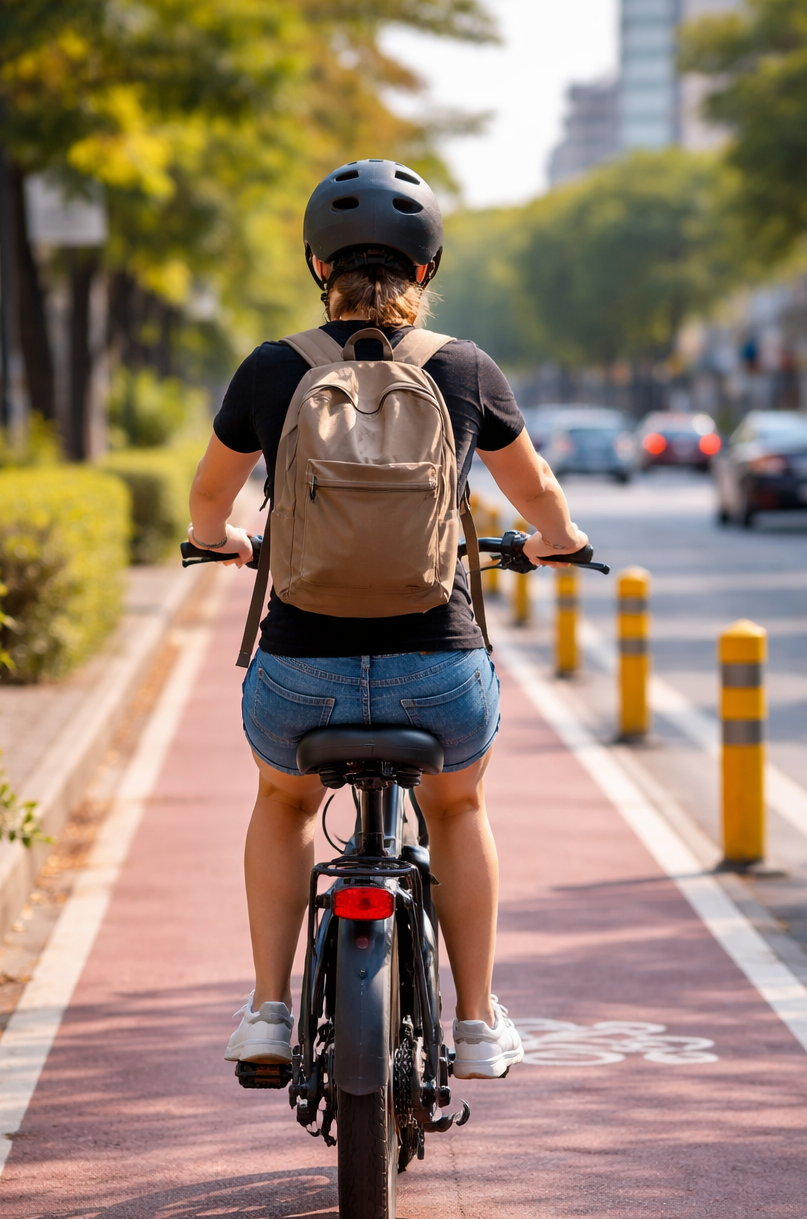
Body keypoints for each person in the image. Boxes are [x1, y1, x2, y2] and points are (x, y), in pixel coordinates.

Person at [187, 160, 588, 1080]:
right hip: (436, 670)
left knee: (285, 802)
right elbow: (540, 495)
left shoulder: (273, 368)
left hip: (301, 673)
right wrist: (558, 541)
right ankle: (479, 1021)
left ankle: (267, 1010)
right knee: (458, 803)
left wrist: (221, 543)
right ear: (427, 268)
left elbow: (212, 496)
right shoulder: (464, 368)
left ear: (316, 265)